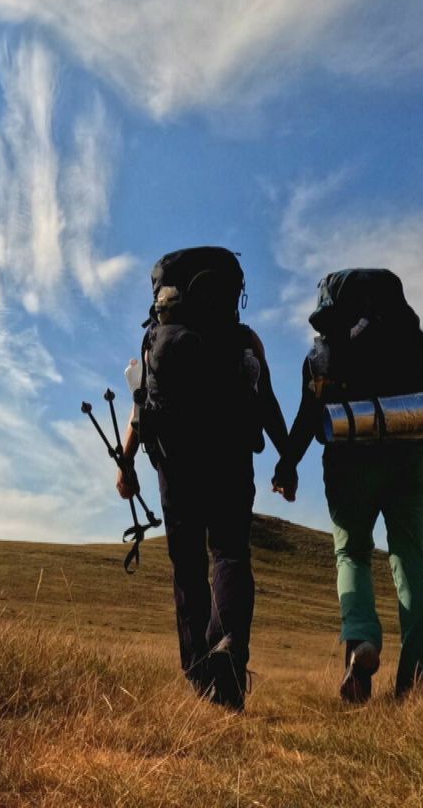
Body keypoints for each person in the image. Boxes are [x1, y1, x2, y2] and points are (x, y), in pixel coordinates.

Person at [114, 248, 289, 712]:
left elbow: (140, 407)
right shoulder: (244, 339)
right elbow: (267, 402)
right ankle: (229, 647)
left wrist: (126, 464)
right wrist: (287, 459)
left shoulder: (155, 340)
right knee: (230, 553)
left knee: (188, 564)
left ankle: (200, 676)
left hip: (175, 461)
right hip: (231, 455)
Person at [271, 268, 423, 702]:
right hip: (412, 459)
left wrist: (287, 466)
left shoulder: (323, 354)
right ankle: (416, 677)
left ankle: (362, 641)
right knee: (410, 559)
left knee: (352, 554)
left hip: (350, 463)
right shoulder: (417, 342)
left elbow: (308, 416)